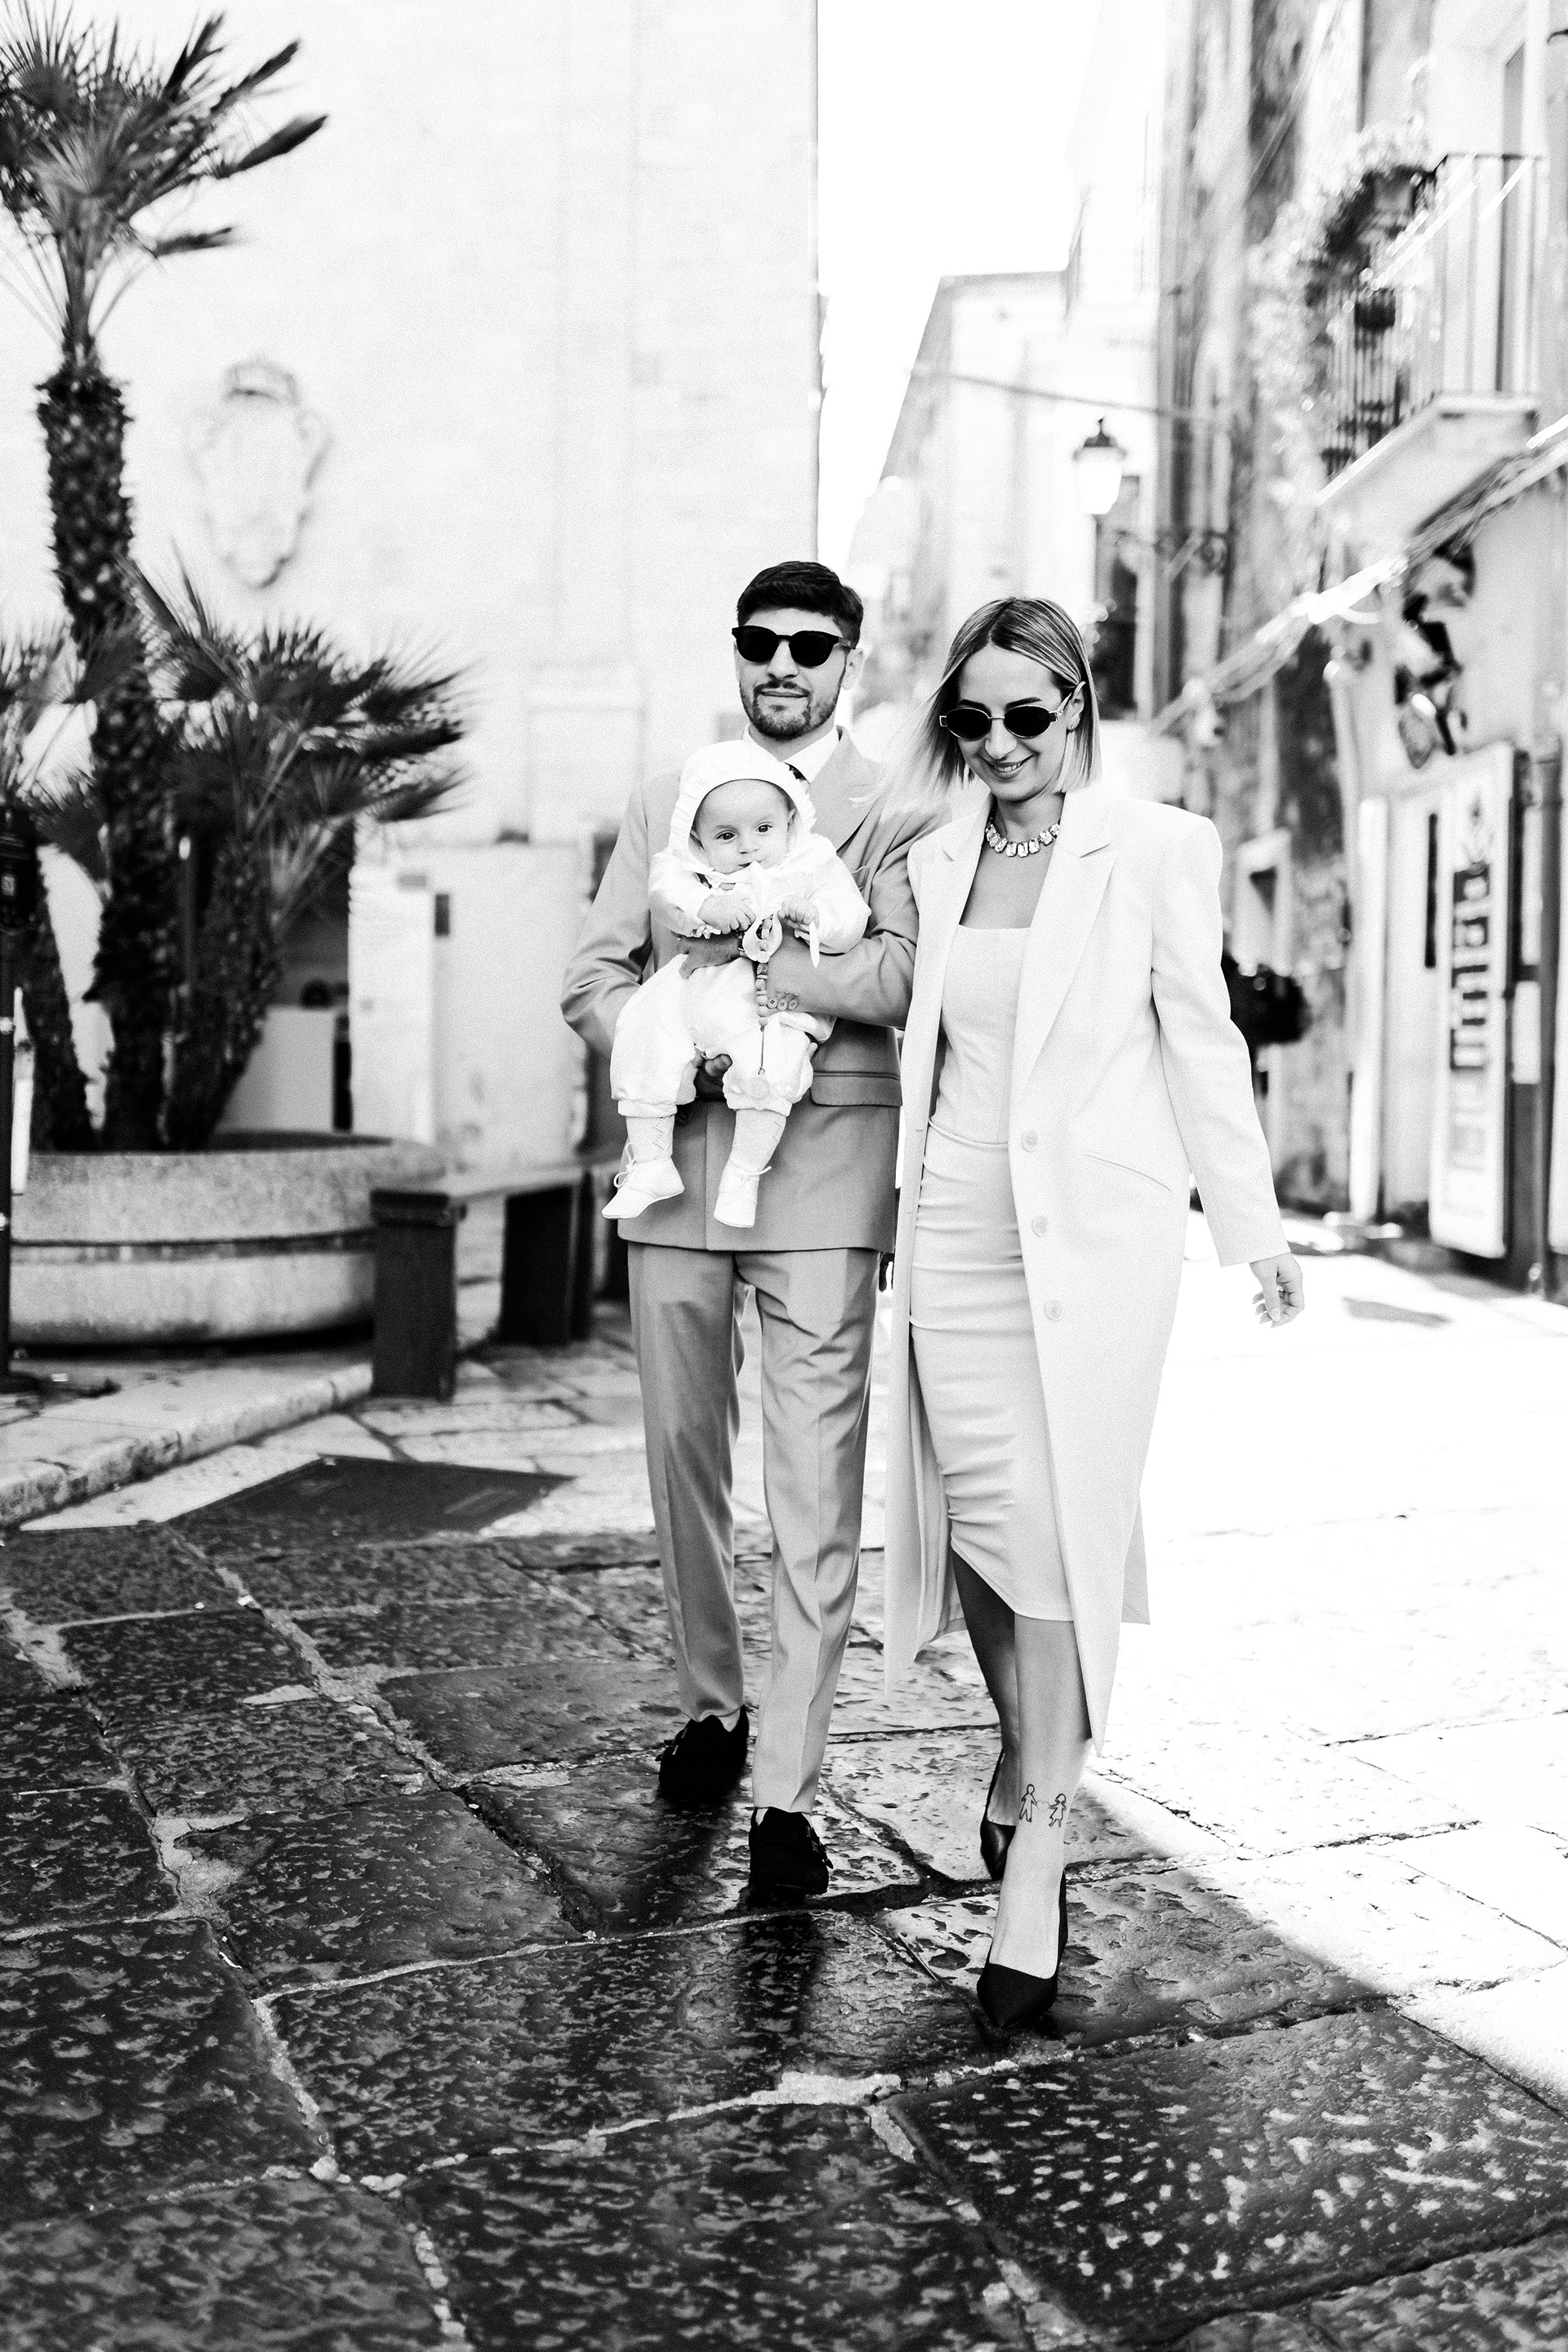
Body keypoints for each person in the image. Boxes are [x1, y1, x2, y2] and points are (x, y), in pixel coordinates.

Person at [882, 596, 1304, 2029]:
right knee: (983, 1536)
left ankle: (1047, 1840)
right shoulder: (937, 855)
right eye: (973, 718)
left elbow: (1203, 1042)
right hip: (954, 1231)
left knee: (1058, 1535)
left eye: (1027, 715)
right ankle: (1027, 1748)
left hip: (1096, 1245)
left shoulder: (1158, 848)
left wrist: (1252, 1228)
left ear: (1076, 706)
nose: (999, 743)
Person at [561, 559, 927, 1895]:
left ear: (849, 662)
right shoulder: (667, 797)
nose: (783, 664)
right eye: (761, 642)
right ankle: (713, 1706)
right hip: (675, 1184)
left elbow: (901, 972)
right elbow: (592, 977)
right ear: (737, 651)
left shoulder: (896, 806)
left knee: (816, 1486)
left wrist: (769, 981)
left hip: (824, 1175)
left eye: (810, 646)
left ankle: (787, 1790)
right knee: (681, 1459)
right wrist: (666, 1042)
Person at [604, 740, 869, 1230]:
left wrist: (818, 918)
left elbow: (851, 915)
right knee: (644, 1028)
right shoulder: (689, 867)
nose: (748, 846)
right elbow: (665, 893)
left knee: (772, 1061)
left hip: (765, 998)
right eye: (727, 836)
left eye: (764, 829)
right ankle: (651, 1162)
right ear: (698, 839)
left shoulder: (811, 861)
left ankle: (743, 1174)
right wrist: (706, 908)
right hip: (694, 986)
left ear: (791, 822)